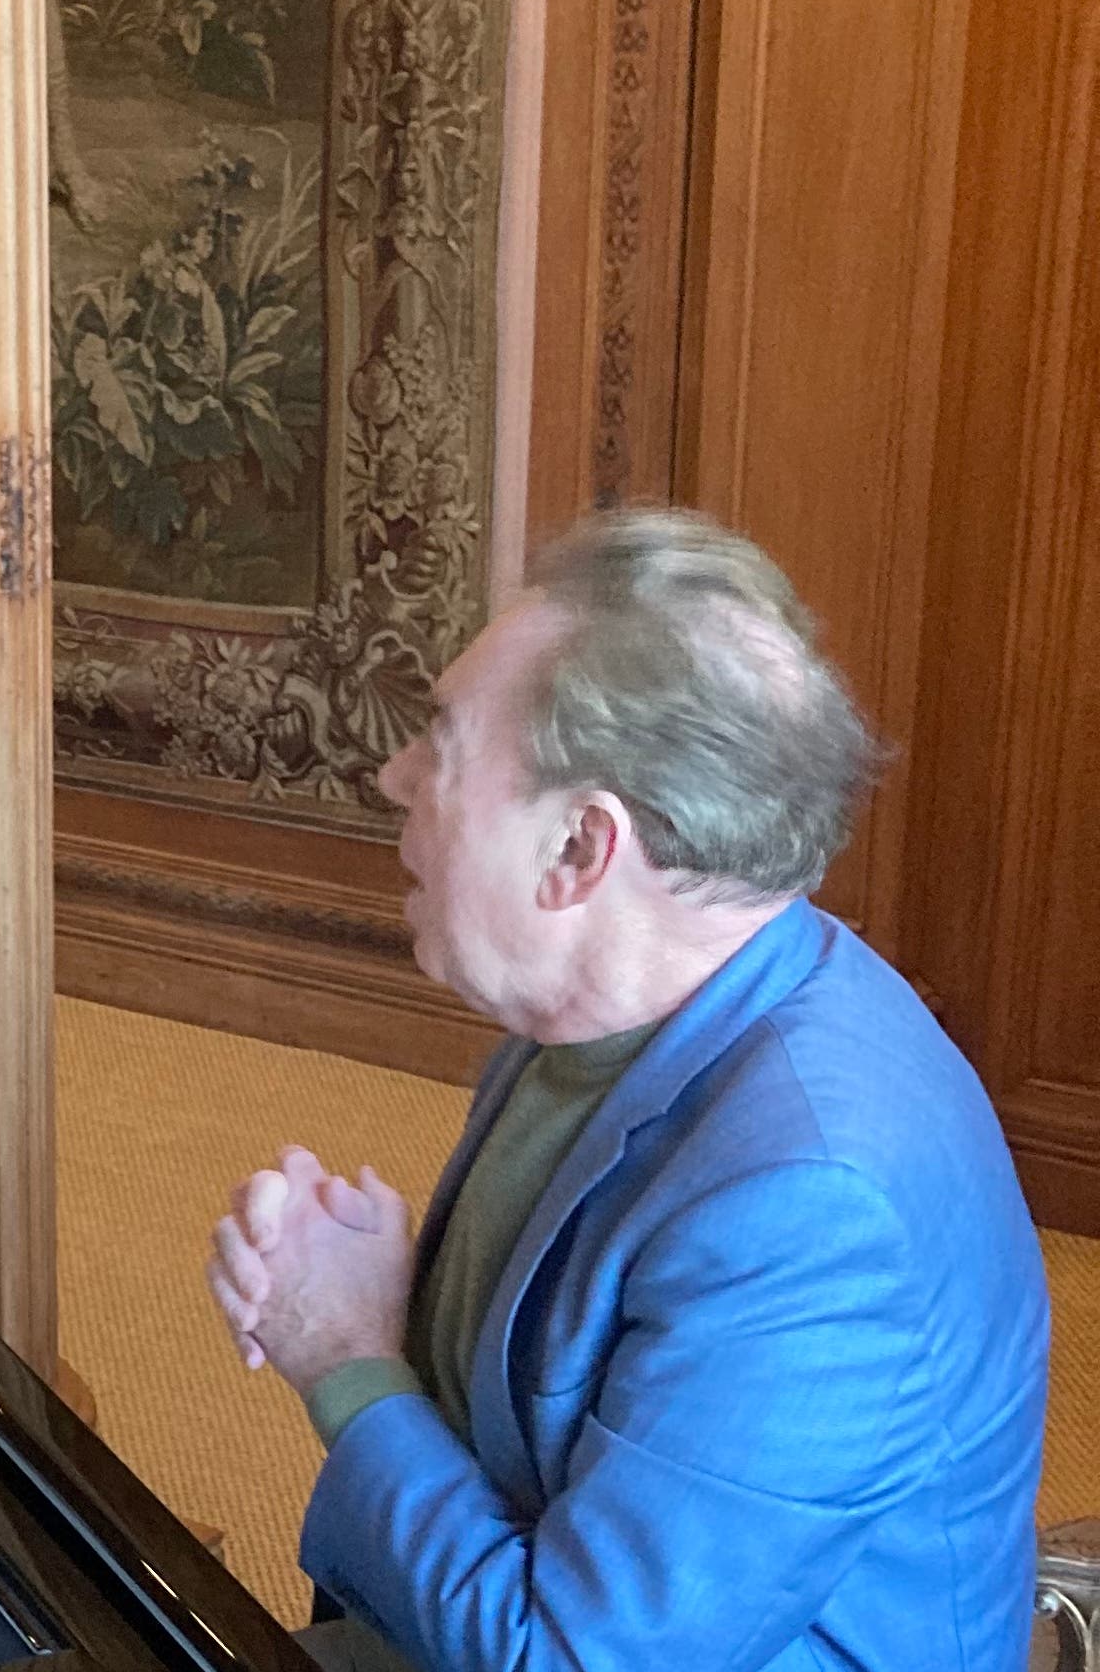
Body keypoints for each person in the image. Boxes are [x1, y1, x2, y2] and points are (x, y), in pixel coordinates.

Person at [205, 508, 1048, 1671]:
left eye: (441, 749)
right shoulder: (608, 1009)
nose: (393, 776)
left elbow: (567, 1657)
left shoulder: (816, 1202)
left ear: (578, 853)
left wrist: (346, 1356)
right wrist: (417, 1314)